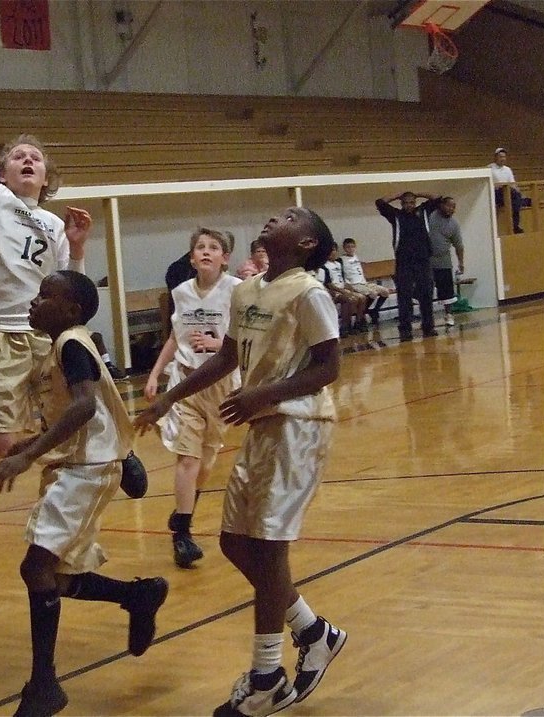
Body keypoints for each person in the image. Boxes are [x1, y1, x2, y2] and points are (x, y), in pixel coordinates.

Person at [136, 206, 347, 717]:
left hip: (299, 424)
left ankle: (267, 677)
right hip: (261, 424)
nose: (277, 218)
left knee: (269, 548)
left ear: (305, 245)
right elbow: (228, 358)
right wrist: (170, 396)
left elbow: (329, 367)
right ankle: (313, 632)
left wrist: (263, 395)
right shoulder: (245, 291)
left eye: (291, 217)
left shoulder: (308, 292)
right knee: (234, 542)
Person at [0, 270, 168, 717]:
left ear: (69, 309)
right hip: (78, 465)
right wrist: (29, 446)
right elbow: (88, 406)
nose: (34, 302)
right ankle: (136, 596)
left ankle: (45, 685)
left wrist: (25, 458)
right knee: (54, 576)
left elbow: (86, 405)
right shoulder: (68, 342)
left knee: (36, 568)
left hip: (86, 470)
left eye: (44, 296)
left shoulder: (71, 342)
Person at [0, 27, 92, 460]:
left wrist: (78, 246)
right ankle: (42, 455)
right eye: (17, 156)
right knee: (0, 445)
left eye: (36, 157)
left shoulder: (53, 222)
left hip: (43, 336)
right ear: (3, 172)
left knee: (75, 418)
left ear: (47, 177)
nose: (27, 159)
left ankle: (114, 458)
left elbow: (73, 292)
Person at [144, 227, 241, 568]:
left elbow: (245, 339)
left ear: (224, 258)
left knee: (207, 462)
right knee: (188, 459)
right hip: (185, 384)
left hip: (221, 384)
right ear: (191, 257)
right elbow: (175, 336)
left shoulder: (237, 291)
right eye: (200, 247)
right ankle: (182, 534)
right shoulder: (182, 292)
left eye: (213, 247)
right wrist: (156, 373)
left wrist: (218, 346)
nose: (206, 251)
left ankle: (182, 510)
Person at [375, 190, 441, 342]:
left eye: (412, 202)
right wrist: (398, 195)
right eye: (406, 203)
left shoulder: (423, 211)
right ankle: (405, 329)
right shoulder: (396, 216)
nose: (409, 205)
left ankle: (428, 327)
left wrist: (418, 193)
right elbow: (380, 202)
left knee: (426, 294)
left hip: (423, 260)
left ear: (415, 203)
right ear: (401, 204)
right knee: (404, 296)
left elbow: (437, 197)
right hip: (404, 261)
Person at [428, 197, 464, 327]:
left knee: (447, 291)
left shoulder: (454, 224)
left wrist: (461, 262)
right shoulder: (430, 215)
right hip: (426, 261)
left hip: (443, 261)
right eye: (449, 206)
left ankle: (449, 315)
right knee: (426, 291)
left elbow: (459, 245)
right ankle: (427, 318)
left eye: (453, 207)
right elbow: (433, 197)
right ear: (441, 205)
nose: (451, 209)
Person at [341, 238, 390, 325]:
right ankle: (362, 313)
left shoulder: (356, 257)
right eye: (348, 247)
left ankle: (375, 311)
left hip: (364, 282)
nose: (350, 249)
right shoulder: (341, 260)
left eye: (352, 247)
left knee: (385, 291)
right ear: (344, 248)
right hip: (354, 284)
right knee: (373, 294)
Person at [321, 242, 366, 336]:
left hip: (342, 287)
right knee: (349, 299)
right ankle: (345, 325)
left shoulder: (338, 264)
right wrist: (342, 291)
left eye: (334, 250)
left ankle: (358, 322)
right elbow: (329, 284)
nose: (333, 253)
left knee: (362, 297)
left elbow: (342, 279)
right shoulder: (324, 266)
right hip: (334, 289)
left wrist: (351, 289)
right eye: (330, 251)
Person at [488, 147, 524, 234]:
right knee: (514, 196)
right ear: (496, 157)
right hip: (496, 193)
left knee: (516, 198)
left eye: (504, 157)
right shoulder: (490, 168)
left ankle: (515, 226)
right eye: (500, 157)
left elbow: (512, 183)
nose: (502, 159)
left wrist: (516, 189)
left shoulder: (507, 169)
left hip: (508, 192)